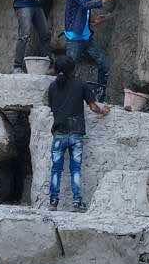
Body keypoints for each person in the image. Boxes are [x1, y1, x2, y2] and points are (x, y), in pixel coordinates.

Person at [45, 55, 110, 212]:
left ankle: (53, 202)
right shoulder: (80, 85)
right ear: (73, 69)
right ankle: (77, 202)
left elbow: (52, 108)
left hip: (59, 133)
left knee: (56, 169)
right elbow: (94, 107)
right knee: (75, 169)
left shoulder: (52, 87)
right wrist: (104, 111)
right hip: (76, 133)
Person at [64, 0, 115, 98]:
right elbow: (85, 5)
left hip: (86, 37)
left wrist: (93, 20)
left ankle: (100, 95)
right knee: (68, 70)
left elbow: (80, 10)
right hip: (74, 38)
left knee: (104, 64)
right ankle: (63, 97)